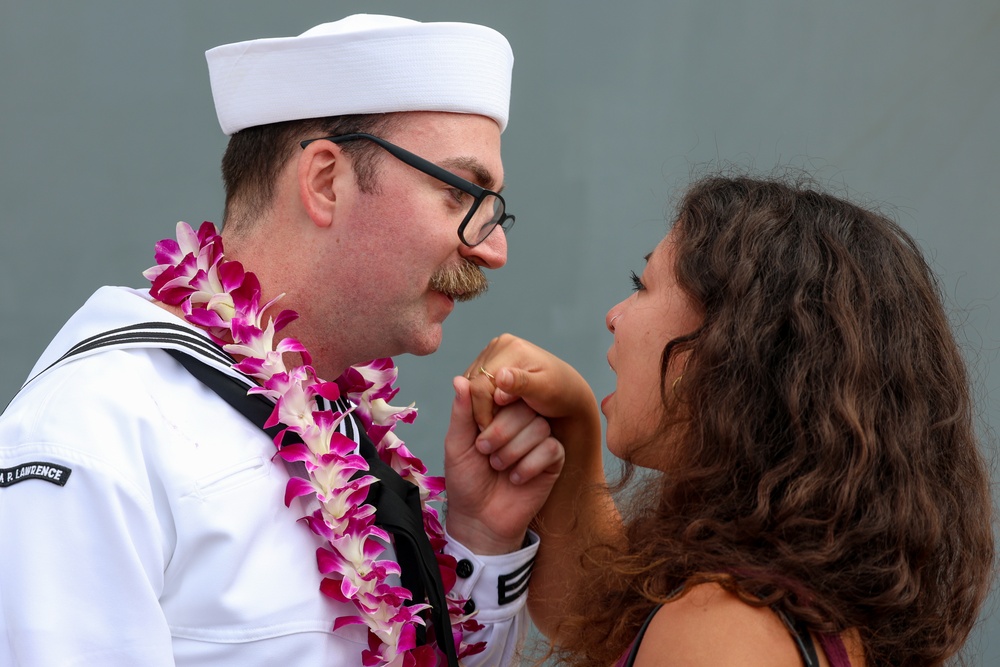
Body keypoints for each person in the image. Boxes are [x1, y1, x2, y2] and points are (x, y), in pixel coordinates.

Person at [0, 14, 564, 667]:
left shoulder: (340, 428)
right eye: (461, 192)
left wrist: (480, 539)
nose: (492, 247)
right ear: (325, 180)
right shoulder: (99, 434)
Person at [463, 173, 995, 666]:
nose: (615, 315)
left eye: (642, 284)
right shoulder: (774, 599)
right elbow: (595, 619)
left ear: (730, 347)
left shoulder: (720, 629)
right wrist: (576, 431)